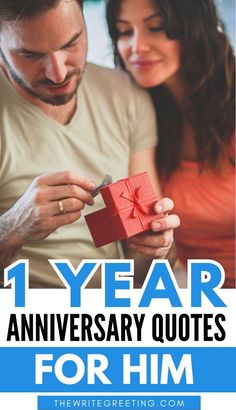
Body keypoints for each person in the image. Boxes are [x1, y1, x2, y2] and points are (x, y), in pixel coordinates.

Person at [0, 0, 180, 288]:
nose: (57, 73)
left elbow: (147, 272)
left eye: (71, 43)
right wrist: (12, 229)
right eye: (30, 55)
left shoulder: (126, 95)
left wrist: (157, 248)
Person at [106, 0, 235, 287]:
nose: (137, 47)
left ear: (194, 28)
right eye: (124, 32)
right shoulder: (141, 111)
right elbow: (144, 244)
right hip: (197, 296)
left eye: (157, 28)